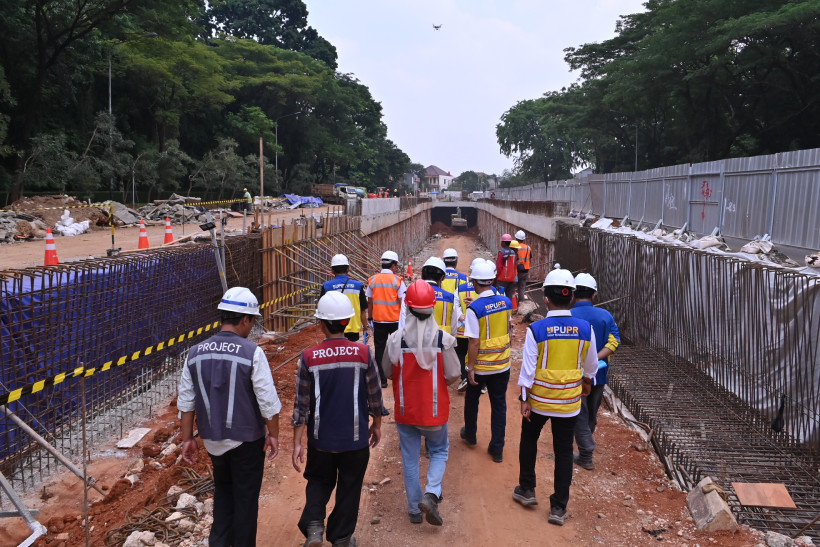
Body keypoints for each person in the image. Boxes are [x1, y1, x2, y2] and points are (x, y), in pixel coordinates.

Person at [178, 287, 281, 547]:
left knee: (224, 494)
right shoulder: (252, 352)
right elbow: (267, 402)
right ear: (245, 319)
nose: (252, 326)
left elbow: (186, 402)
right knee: (246, 501)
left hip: (213, 441)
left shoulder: (195, 352)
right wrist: (274, 434)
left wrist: (188, 438)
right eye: (253, 321)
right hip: (246, 441)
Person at [292, 292, 384, 547]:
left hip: (321, 439)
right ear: (347, 321)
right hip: (354, 440)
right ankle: (341, 537)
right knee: (350, 485)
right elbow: (375, 396)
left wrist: (298, 442)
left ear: (321, 324)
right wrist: (377, 424)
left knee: (319, 480)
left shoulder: (308, 357)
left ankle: (313, 525)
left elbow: (302, 405)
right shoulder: (364, 353)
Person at [512, 268, 598, 526]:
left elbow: (528, 370)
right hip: (569, 404)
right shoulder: (585, 329)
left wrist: (524, 399)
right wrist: (585, 382)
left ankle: (526, 490)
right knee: (563, 452)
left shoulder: (537, 330)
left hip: (539, 401)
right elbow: (591, 366)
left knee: (529, 440)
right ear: (571, 297)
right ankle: (559, 507)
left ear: (546, 299)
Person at [384, 281, 461, 526]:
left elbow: (387, 370)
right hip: (434, 412)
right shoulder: (443, 340)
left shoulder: (395, 339)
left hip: (406, 412)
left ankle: (414, 511)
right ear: (432, 307)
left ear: (407, 308)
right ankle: (431, 493)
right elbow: (453, 374)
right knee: (439, 451)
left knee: (409, 458)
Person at [461, 260, 512, 463]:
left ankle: (471, 434)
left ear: (475, 282)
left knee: (472, 400)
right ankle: (497, 448)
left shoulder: (475, 308)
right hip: (502, 364)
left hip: (482, 365)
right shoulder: (506, 302)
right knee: (499, 405)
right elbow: (508, 327)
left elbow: (474, 342)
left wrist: (470, 368)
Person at [571, 273, 620, 471]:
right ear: (594, 295)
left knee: (578, 413)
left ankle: (586, 452)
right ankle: (586, 444)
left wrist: (584, 361)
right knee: (591, 412)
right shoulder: (605, 316)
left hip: (575, 376)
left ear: (573, 294)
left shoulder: (569, 316)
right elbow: (614, 342)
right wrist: (596, 358)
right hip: (598, 375)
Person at [367, 250, 407, 387]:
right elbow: (403, 302)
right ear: (393, 266)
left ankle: (382, 380)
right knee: (399, 348)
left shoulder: (372, 280)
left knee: (379, 350)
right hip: (395, 321)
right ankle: (399, 377)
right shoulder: (398, 281)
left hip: (378, 321)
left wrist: (370, 318)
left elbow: (370, 301)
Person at [399, 256, 462, 336]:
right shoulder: (450, 297)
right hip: (441, 343)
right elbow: (454, 327)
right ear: (442, 278)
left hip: (414, 342)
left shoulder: (409, 293)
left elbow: (402, 322)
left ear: (422, 275)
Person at [441, 248, 472, 392]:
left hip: (440, 313)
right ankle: (460, 374)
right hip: (457, 316)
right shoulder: (462, 278)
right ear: (456, 261)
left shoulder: (438, 274)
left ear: (444, 260)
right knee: (458, 349)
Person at [320, 254, 368, 342]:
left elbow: (322, 310)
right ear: (348, 269)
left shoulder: (326, 286)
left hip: (333, 330)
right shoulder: (358, 286)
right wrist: (365, 327)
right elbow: (363, 311)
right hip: (353, 330)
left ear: (332, 270)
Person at [495, 234, 518, 298]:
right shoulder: (513, 253)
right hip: (511, 278)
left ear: (504, 243)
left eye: (502, 242)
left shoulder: (501, 252)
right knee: (509, 295)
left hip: (503, 278)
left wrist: (498, 275)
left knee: (501, 296)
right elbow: (515, 266)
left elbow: (499, 266)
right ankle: (509, 307)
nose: (501, 243)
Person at [514, 230, 532, 303]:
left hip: (517, 270)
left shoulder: (515, 247)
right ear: (523, 239)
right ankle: (521, 304)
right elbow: (530, 258)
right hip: (526, 270)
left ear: (516, 239)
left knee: (512, 287)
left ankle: (512, 304)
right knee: (521, 288)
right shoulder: (528, 247)